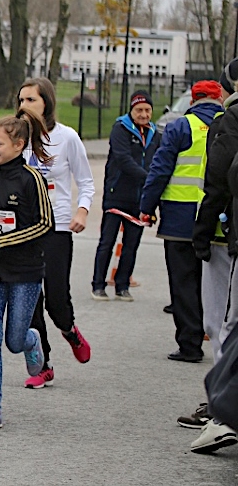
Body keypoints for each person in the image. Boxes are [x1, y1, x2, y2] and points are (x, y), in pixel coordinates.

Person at [0, 110, 54, 430]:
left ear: (19, 145)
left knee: (14, 342)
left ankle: (31, 341)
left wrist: (5, 241)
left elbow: (45, 224)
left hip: (25, 272)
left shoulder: (32, 179)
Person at [142, 80, 226, 363]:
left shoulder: (180, 126)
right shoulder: (229, 124)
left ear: (193, 100)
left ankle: (190, 344)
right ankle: (220, 340)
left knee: (183, 282)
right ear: (219, 99)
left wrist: (147, 207)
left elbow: (160, 169)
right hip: (218, 218)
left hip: (180, 218)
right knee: (216, 282)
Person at [18, 77, 95, 387]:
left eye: (31, 100)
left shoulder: (67, 138)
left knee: (56, 299)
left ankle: (69, 330)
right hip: (23, 230)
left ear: (46, 103)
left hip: (57, 226)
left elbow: (86, 181)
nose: (24, 106)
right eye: (21, 100)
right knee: (30, 299)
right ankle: (43, 365)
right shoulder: (15, 137)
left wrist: (82, 210)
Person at [187, 60, 238, 430]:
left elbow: (219, 177)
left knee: (221, 321)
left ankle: (222, 409)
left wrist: (203, 229)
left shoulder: (229, 119)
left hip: (225, 234)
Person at [92, 90, 160, 300]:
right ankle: (98, 285)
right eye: (139, 110)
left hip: (139, 199)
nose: (143, 114)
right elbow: (123, 159)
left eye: (147, 110)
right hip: (116, 195)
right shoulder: (120, 129)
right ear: (131, 110)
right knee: (107, 242)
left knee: (131, 245)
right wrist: (149, 178)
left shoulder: (155, 134)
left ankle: (122, 285)